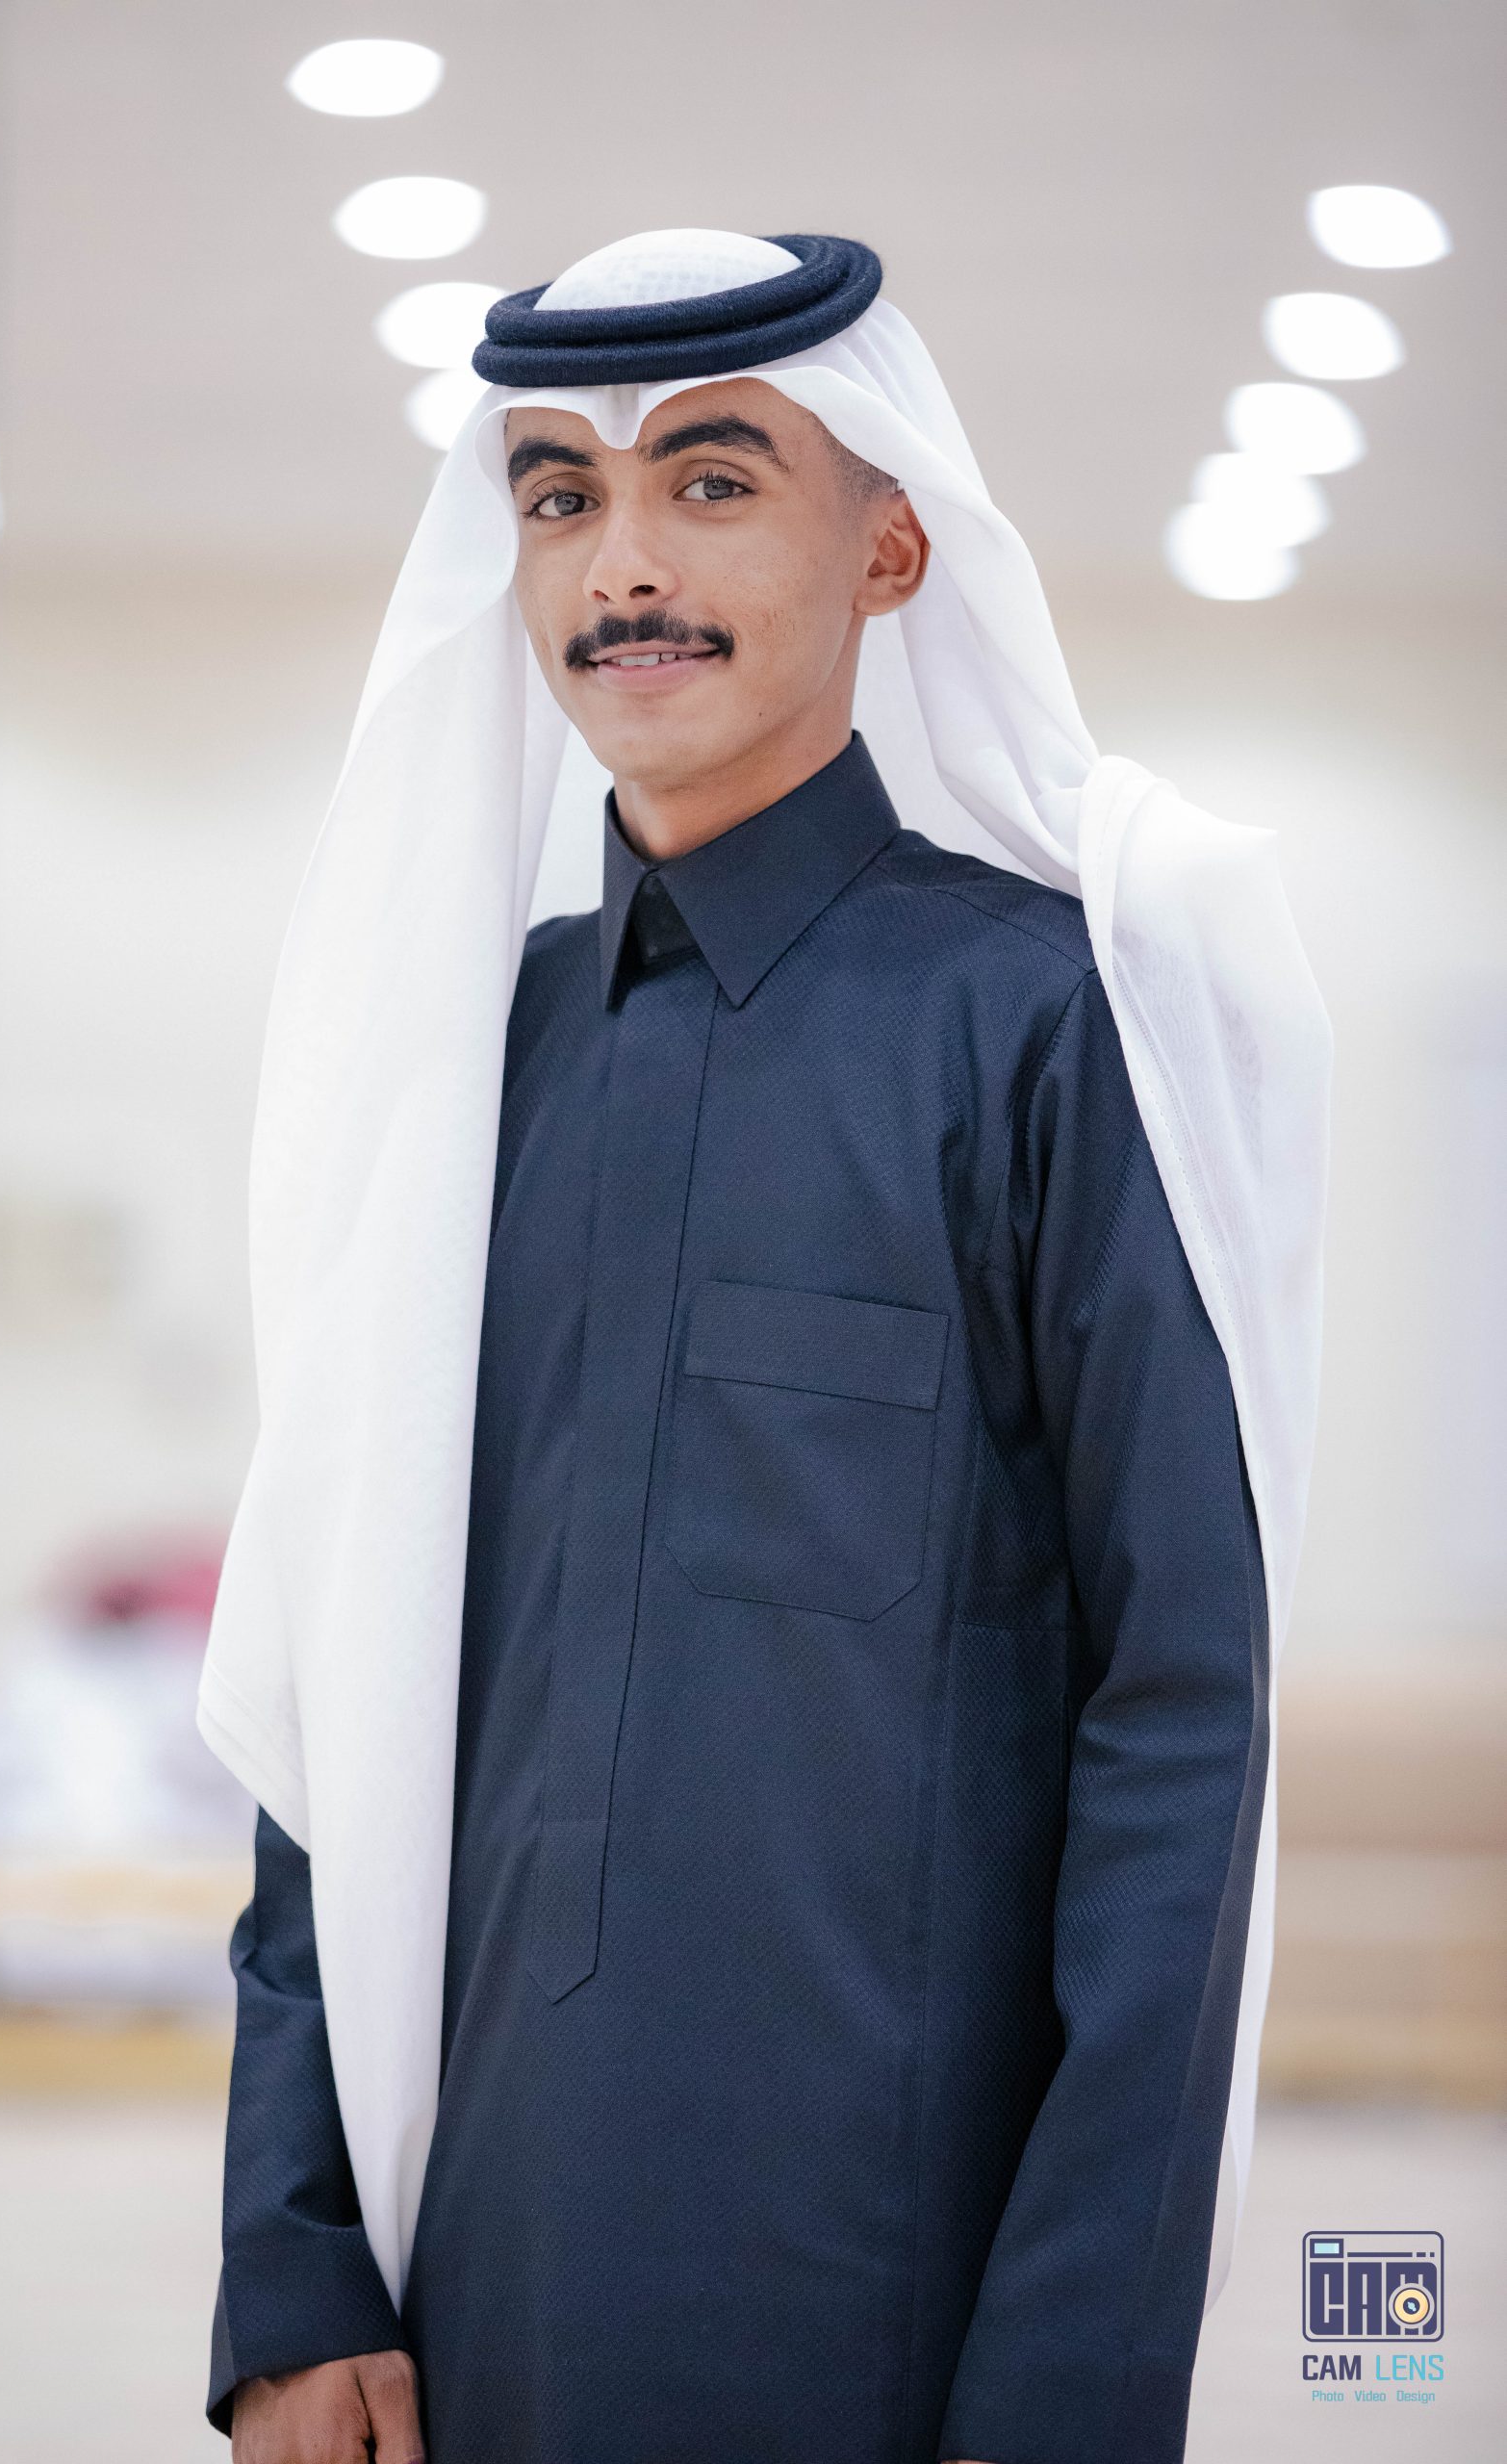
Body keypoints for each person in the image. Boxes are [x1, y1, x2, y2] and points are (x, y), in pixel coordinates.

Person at [199, 232, 1329, 2464]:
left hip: (883, 2289)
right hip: (469, 2267)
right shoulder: (464, 1055)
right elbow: (336, 1671)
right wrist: (295, 2263)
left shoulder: (1050, 1026)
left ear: (889, 545)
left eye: (710, 483)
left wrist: (1069, 2377)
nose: (620, 563)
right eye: (558, 494)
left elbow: (1178, 1721)